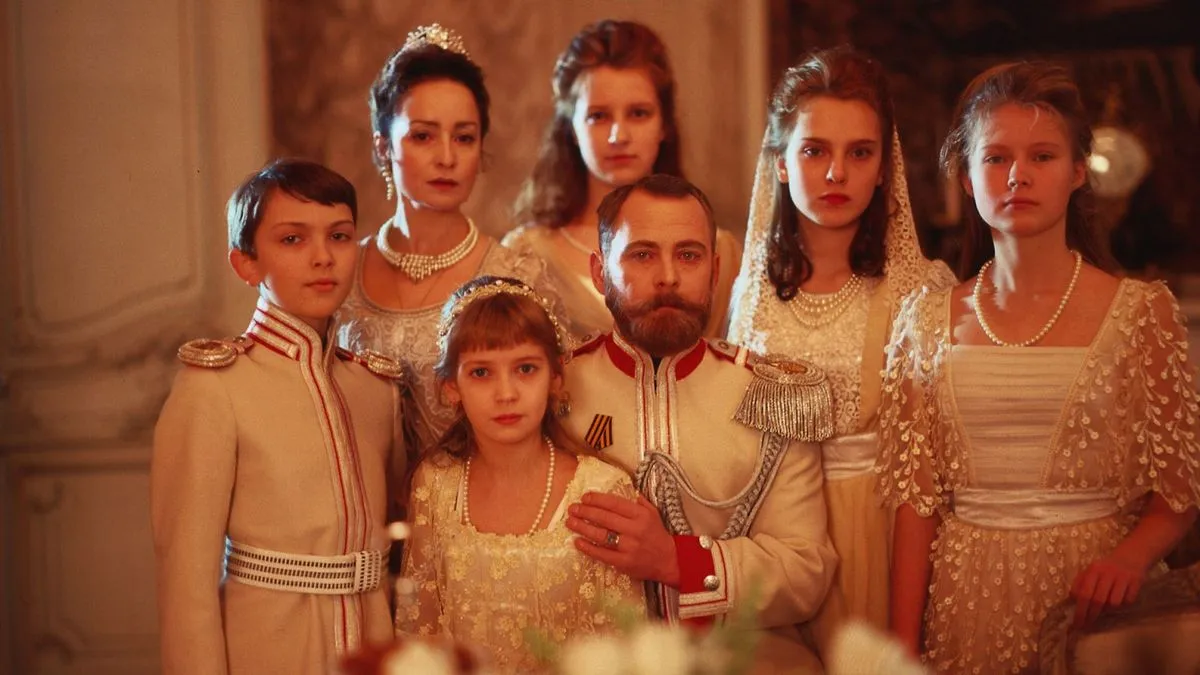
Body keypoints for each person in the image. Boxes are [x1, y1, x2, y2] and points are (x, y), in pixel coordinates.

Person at [878, 62, 1200, 674]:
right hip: (965, 604)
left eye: (1042, 157)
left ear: (1079, 172)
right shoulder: (923, 320)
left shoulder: (1140, 313)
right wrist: (897, 654)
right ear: (968, 180)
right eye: (995, 158)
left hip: (1096, 602)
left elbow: (1180, 491)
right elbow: (915, 507)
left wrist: (1130, 559)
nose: (1017, 176)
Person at [559, 173, 838, 674]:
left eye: (687, 255)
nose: (667, 276)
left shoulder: (771, 394)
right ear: (600, 273)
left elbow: (804, 574)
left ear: (714, 272)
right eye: (642, 254)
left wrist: (675, 561)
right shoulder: (552, 390)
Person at [726, 47, 957, 639]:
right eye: (814, 151)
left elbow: (933, 465)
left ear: (884, 167)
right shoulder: (748, 291)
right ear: (779, 162)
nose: (836, 174)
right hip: (768, 537)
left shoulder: (918, 292)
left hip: (874, 534)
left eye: (859, 153)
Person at [151, 159, 405, 675]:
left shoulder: (376, 388)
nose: (321, 258)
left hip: (372, 643)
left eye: (339, 236)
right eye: (292, 240)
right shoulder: (214, 388)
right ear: (246, 264)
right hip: (269, 647)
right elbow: (187, 585)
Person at [333, 23, 561, 461]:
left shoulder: (519, 274)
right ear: (383, 148)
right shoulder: (340, 271)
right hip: (356, 521)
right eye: (422, 136)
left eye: (464, 137)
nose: (446, 157)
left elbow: (556, 423)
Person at [396, 276, 646, 674]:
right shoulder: (435, 483)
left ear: (556, 378)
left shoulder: (599, 488)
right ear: (450, 388)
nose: (506, 392)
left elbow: (623, 644)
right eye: (481, 373)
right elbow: (419, 630)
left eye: (525, 368)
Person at [506, 19, 740, 338]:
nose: (619, 135)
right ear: (572, 129)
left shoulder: (720, 253)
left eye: (638, 113)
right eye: (599, 116)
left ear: (664, 125)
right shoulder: (526, 257)